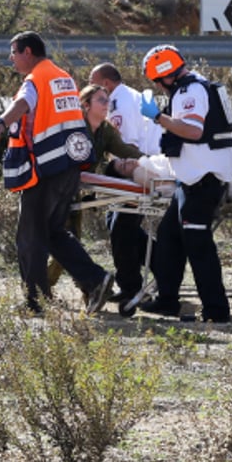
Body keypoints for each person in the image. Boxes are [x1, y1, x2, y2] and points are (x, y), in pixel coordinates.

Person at [0, 31, 114, 315]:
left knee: (30, 237)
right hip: (67, 167)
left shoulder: (36, 79)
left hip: (44, 169)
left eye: (14, 52)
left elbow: (23, 104)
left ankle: (35, 302)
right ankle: (96, 279)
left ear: (28, 52)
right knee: (54, 233)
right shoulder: (63, 77)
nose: (11, 58)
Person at [136, 45, 232, 322]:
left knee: (198, 245)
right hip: (193, 179)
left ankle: (216, 311)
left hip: (201, 181)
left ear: (165, 77)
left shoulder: (188, 92)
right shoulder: (199, 87)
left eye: (157, 82)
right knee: (169, 238)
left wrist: (158, 117)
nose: (158, 88)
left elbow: (193, 130)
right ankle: (167, 301)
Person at [77, 83, 154, 314]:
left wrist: (154, 164)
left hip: (82, 185)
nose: (107, 105)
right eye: (101, 100)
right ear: (86, 105)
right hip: (65, 186)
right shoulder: (75, 128)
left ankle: (99, 288)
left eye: (107, 100)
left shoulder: (106, 130)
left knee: (119, 229)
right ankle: (81, 288)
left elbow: (126, 151)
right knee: (61, 239)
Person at [89, 62, 162, 155]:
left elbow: (128, 146)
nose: (90, 88)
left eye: (92, 83)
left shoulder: (120, 104)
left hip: (143, 164)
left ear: (106, 83)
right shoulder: (126, 95)